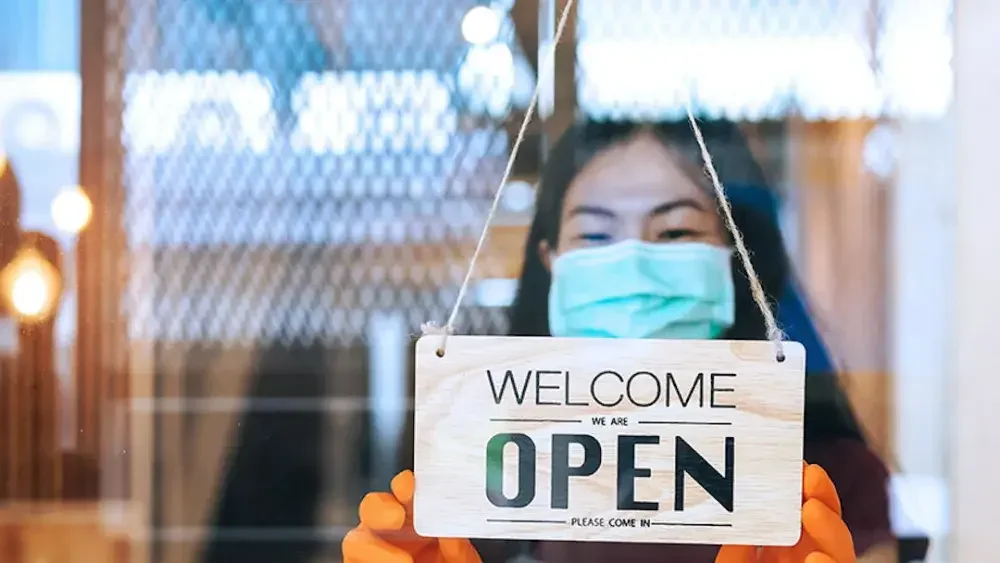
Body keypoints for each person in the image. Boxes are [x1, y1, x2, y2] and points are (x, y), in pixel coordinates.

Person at [342, 119, 896, 563]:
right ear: (550, 262)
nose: (634, 259)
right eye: (596, 234)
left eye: (675, 230)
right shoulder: (482, 468)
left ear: (736, 259)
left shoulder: (825, 486)